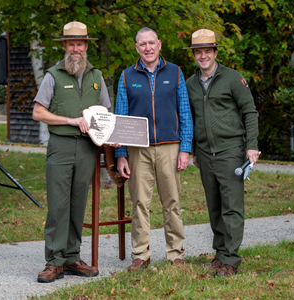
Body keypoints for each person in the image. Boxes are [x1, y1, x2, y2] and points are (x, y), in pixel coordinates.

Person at [32, 21, 112, 283]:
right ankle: (53, 261)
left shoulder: (96, 76)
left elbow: (107, 114)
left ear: (86, 46)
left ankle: (72, 257)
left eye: (80, 44)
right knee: (58, 204)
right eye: (71, 44)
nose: (75, 49)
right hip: (62, 145)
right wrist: (70, 120)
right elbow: (38, 112)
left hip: (88, 149)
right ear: (64, 46)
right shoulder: (53, 75)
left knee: (78, 203)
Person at [114, 27, 193, 271]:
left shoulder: (175, 72)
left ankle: (175, 253)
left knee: (172, 201)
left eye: (151, 43)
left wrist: (185, 148)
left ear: (159, 44)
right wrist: (121, 155)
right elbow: (121, 117)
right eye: (142, 44)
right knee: (139, 202)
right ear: (136, 48)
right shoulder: (127, 76)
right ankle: (141, 255)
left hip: (170, 146)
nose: (147, 48)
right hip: (138, 149)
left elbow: (185, 113)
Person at [184, 29, 259, 276]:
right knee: (214, 207)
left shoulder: (232, 78)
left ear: (215, 52)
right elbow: (191, 118)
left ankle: (231, 260)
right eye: (198, 52)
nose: (203, 56)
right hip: (205, 154)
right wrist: (194, 149)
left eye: (207, 51)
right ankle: (219, 254)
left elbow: (250, 111)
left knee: (232, 207)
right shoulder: (190, 84)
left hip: (230, 151)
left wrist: (252, 145)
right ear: (194, 54)